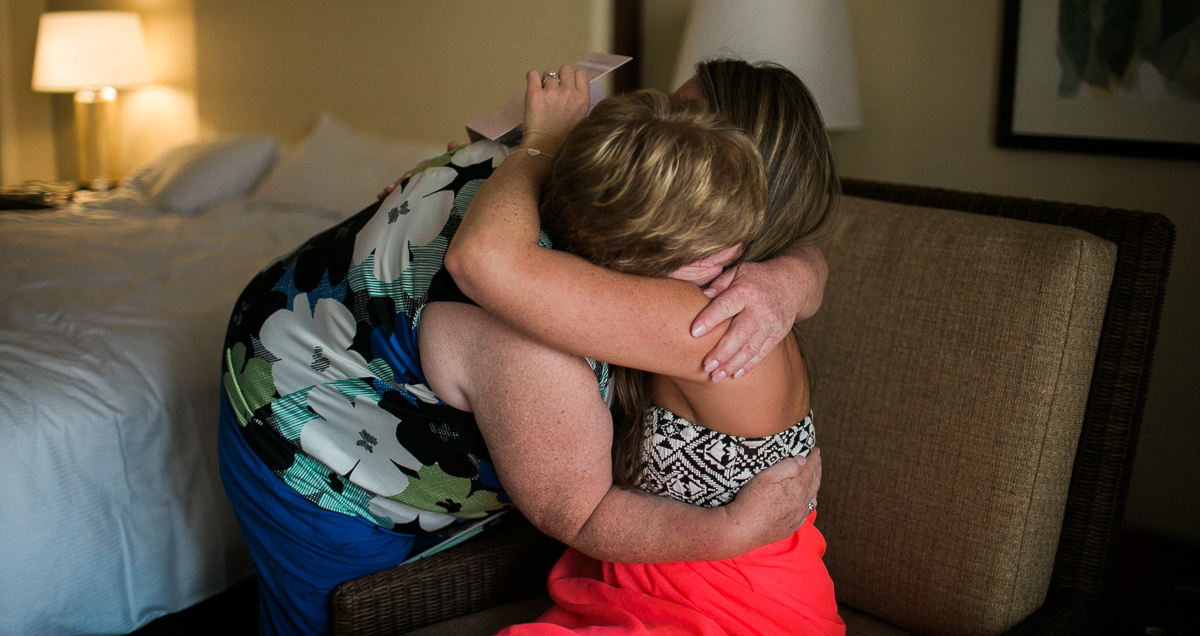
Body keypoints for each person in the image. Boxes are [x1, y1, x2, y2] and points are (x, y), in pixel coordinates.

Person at [217, 69, 823, 636]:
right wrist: (727, 531)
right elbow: (579, 510)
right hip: (299, 413)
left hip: (326, 341)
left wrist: (794, 275)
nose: (661, 128)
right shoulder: (536, 324)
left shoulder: (555, 174)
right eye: (669, 119)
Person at [448, 60, 843, 634]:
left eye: (683, 119)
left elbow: (483, 259)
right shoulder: (693, 281)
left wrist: (543, 145)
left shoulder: (705, 312)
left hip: (725, 609)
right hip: (670, 585)